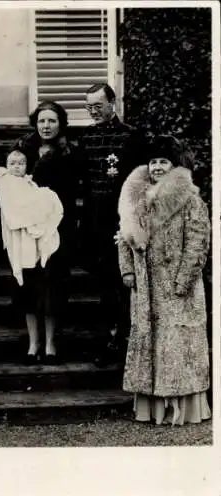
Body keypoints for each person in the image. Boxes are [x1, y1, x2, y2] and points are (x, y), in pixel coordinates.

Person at [117, 134, 211, 425]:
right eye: (153, 161)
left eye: (164, 161)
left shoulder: (190, 199)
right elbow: (124, 237)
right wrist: (128, 270)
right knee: (149, 341)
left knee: (176, 341)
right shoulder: (136, 198)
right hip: (146, 285)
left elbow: (198, 240)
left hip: (176, 285)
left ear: (175, 166)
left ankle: (181, 408)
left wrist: (183, 279)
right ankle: (151, 407)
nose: (157, 166)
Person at [79, 82, 148, 367]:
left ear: (112, 103)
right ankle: (111, 339)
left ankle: (129, 342)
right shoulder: (85, 137)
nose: (94, 112)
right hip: (96, 221)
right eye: (89, 107)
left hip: (124, 219)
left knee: (127, 281)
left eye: (98, 106)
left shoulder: (132, 137)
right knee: (105, 282)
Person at [13, 100, 81, 363]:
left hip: (56, 228)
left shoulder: (69, 153)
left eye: (52, 120)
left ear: (60, 124)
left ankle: (51, 343)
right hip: (26, 228)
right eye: (42, 120)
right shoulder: (23, 151)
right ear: (35, 123)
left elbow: (75, 191)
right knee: (27, 285)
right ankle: (33, 343)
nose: (46, 125)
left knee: (52, 285)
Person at [0, 149, 63, 363]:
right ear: (6, 165)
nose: (17, 167)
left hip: (41, 245)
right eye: (12, 163)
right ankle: (34, 343)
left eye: (21, 163)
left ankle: (50, 343)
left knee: (48, 297)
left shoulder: (33, 186)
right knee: (28, 297)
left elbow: (46, 205)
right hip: (21, 246)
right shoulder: (5, 185)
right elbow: (13, 211)